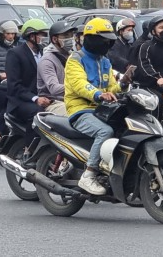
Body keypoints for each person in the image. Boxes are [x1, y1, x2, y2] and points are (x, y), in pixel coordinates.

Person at [64, 18, 123, 195]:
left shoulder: (104, 61)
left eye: (109, 40)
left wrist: (124, 84)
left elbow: (111, 87)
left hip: (102, 110)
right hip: (80, 109)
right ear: (91, 39)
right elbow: (80, 84)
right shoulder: (75, 59)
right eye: (103, 40)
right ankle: (88, 175)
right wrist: (98, 94)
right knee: (105, 132)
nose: (107, 43)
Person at [6, 19, 51, 146]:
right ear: (32, 36)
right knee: (38, 113)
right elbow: (14, 85)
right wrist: (35, 98)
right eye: (42, 35)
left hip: (43, 97)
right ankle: (29, 149)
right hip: (20, 101)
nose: (45, 38)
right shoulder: (15, 54)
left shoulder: (44, 53)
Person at [132, 16, 163, 95]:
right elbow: (144, 65)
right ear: (153, 32)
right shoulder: (146, 46)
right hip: (150, 86)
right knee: (159, 102)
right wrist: (157, 78)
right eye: (161, 27)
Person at [36, 21, 77, 116]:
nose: (70, 39)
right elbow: (54, 89)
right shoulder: (47, 60)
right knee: (80, 117)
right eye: (66, 36)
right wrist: (80, 87)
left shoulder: (73, 56)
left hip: (73, 99)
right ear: (54, 39)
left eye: (71, 35)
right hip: (54, 103)